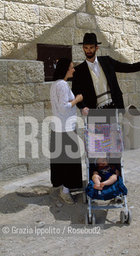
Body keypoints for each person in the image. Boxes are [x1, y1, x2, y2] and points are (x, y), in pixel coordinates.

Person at [72, 32, 140, 114]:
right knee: (97, 135)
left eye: (91, 47)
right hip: (94, 111)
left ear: (96, 48)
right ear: (83, 48)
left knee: (114, 134)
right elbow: (76, 92)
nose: (88, 50)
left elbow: (129, 68)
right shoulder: (79, 70)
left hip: (113, 108)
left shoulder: (107, 61)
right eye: (86, 48)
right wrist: (82, 107)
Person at [50, 58, 83, 204]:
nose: (74, 70)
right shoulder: (62, 85)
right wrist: (77, 99)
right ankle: (65, 192)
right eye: (71, 67)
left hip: (58, 129)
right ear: (65, 69)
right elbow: (64, 107)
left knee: (62, 162)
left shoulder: (54, 84)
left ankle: (63, 187)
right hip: (66, 130)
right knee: (69, 162)